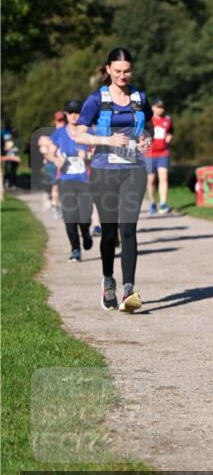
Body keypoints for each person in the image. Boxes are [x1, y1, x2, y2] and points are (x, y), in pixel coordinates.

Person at [75, 48, 151, 312]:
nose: (122, 75)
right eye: (117, 71)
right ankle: (109, 281)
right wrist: (105, 140)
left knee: (128, 229)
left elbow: (148, 127)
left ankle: (129, 290)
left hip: (133, 169)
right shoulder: (96, 100)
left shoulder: (140, 98)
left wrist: (146, 140)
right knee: (109, 231)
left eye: (127, 71)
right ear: (108, 69)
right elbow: (78, 134)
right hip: (104, 171)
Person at [47, 100, 93, 262]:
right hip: (66, 180)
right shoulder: (59, 134)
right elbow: (50, 153)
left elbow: (99, 155)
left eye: (78, 112)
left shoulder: (90, 132)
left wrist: (87, 156)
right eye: (71, 112)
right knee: (69, 217)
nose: (74, 115)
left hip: (85, 180)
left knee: (85, 216)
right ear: (66, 114)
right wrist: (56, 160)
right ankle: (75, 249)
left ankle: (86, 233)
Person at [144, 98, 173, 215]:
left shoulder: (167, 121)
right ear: (153, 108)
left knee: (164, 177)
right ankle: (152, 203)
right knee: (151, 180)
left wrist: (169, 138)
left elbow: (170, 132)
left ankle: (163, 203)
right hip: (149, 154)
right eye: (158, 107)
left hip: (163, 153)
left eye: (162, 107)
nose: (160, 109)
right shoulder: (148, 121)